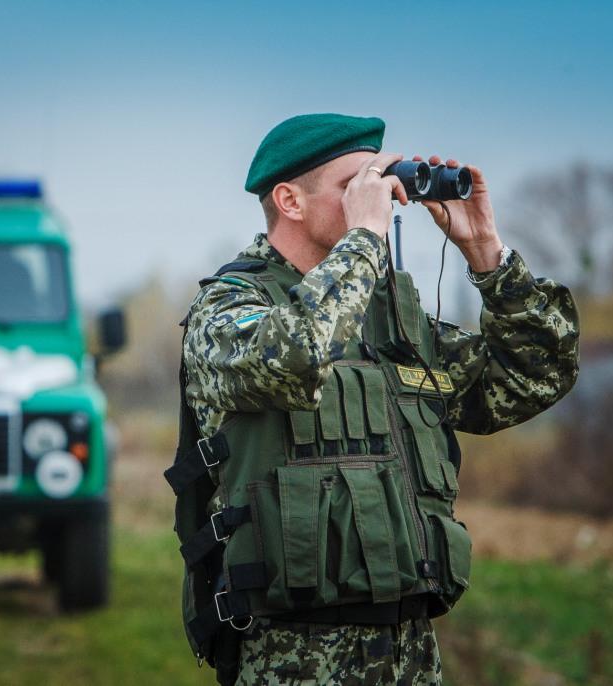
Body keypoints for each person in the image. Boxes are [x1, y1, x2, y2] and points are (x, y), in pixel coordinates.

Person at [166, 113, 579, 685]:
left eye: (381, 185)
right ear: (289, 201)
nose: (381, 201)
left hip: (411, 653)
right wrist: (364, 238)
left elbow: (532, 378)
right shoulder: (229, 310)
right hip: (291, 660)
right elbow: (299, 354)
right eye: (355, 187)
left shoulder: (393, 326)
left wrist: (485, 250)